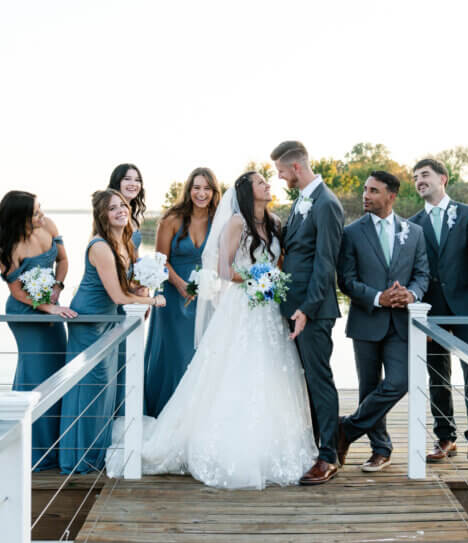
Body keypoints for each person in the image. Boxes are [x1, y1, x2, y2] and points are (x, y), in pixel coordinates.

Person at [109, 172, 316, 488]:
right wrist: (255, 281)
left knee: (271, 371)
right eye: (262, 183)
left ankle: (271, 444)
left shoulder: (275, 222)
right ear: (248, 192)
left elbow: (279, 262)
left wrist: (272, 279)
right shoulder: (235, 223)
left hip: (268, 309)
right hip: (241, 306)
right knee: (231, 370)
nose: (268, 186)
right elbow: (223, 269)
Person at [59, 189, 164, 474]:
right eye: (113, 208)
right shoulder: (100, 246)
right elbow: (118, 297)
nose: (121, 211)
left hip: (107, 321)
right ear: (102, 216)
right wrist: (152, 300)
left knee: (105, 390)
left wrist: (143, 287)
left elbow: (126, 288)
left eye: (123, 206)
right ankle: (78, 459)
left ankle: (95, 453)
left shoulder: (124, 241)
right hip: (89, 321)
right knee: (89, 389)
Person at [335, 171, 429, 473]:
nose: (366, 195)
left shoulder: (413, 232)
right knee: (369, 386)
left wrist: (411, 295)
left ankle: (346, 430)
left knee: (400, 381)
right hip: (367, 319)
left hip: (401, 322)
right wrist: (378, 297)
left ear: (391, 195)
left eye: (373, 191)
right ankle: (380, 449)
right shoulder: (351, 233)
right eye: (365, 189)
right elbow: (346, 280)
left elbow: (422, 275)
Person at [409, 158, 468, 462]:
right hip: (432, 311)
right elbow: (414, 270)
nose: (419, 180)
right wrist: (420, 309)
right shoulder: (413, 223)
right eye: (415, 177)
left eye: (425, 175)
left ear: (442, 178)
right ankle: (445, 438)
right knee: (437, 375)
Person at [271, 141, 345, 485]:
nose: (281, 177)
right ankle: (318, 445)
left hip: (311, 309)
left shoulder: (326, 204)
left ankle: (329, 456)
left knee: (319, 380)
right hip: (294, 306)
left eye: (282, 171)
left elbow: (325, 264)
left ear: (296, 168)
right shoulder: (303, 199)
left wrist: (306, 310)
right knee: (304, 380)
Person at [0, 191, 75, 471]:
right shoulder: (7, 248)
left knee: (55, 370)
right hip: (25, 313)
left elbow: (63, 260)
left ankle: (54, 443)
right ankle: (29, 446)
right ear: (18, 218)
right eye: (35, 213)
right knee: (34, 372)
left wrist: (57, 288)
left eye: (41, 210)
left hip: (52, 303)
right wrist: (45, 307)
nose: (42, 216)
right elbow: (16, 291)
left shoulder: (48, 226)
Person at [143, 167, 220, 416]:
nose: (201, 193)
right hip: (173, 298)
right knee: (175, 357)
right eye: (197, 187)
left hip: (205, 298)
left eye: (207, 188)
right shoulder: (172, 219)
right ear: (188, 190)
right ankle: (165, 414)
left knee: (199, 358)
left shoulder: (219, 220)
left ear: (214, 191)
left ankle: (195, 418)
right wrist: (179, 284)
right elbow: (160, 259)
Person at [108, 163, 146, 251]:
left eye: (137, 180)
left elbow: (134, 253)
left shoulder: (132, 213)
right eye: (127, 179)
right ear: (117, 182)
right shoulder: (110, 213)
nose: (133, 184)